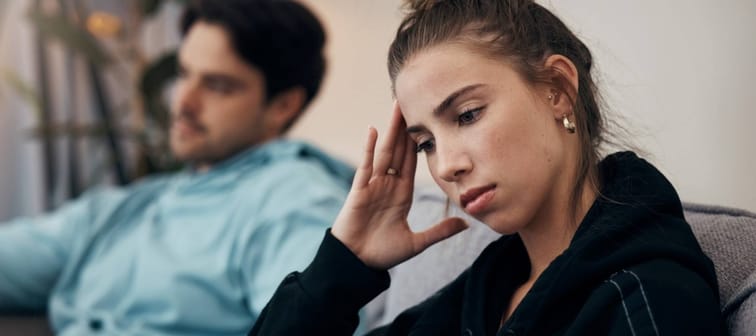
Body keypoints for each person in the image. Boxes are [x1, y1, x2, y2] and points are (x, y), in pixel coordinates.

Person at [248, 0, 724, 335]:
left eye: (468, 115)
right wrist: (346, 263)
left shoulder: (649, 296)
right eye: (425, 144)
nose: (447, 166)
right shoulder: (486, 292)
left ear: (556, 88)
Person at [0, 0, 353, 335]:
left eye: (216, 85)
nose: (183, 101)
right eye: (184, 74)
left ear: (283, 105)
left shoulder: (293, 200)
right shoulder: (138, 204)